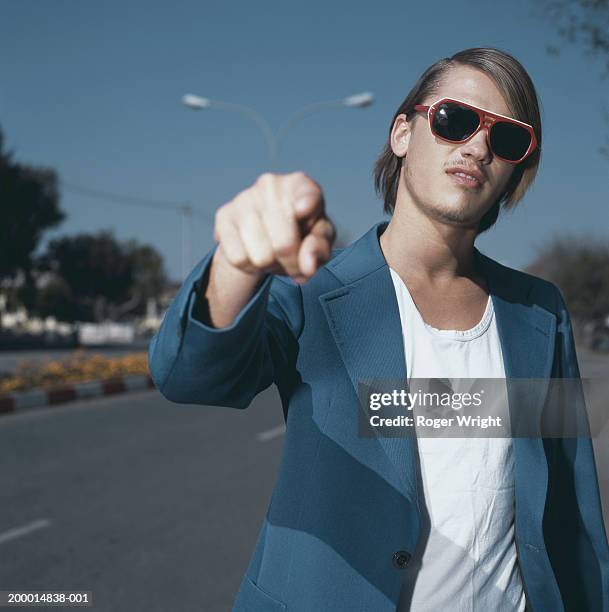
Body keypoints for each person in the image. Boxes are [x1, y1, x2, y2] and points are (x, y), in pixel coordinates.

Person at [148, 47, 609, 611]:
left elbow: (568, 508)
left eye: (508, 138)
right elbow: (190, 376)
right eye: (454, 120)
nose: (478, 146)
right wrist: (236, 267)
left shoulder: (539, 313)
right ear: (402, 134)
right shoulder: (312, 287)